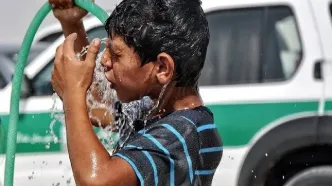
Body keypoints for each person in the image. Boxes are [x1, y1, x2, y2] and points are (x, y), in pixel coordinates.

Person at [49, 0, 223, 185]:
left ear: (162, 68)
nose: (104, 60)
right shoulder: (151, 109)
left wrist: (72, 94)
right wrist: (72, 24)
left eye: (116, 54)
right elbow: (94, 107)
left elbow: (97, 181)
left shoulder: (183, 133)